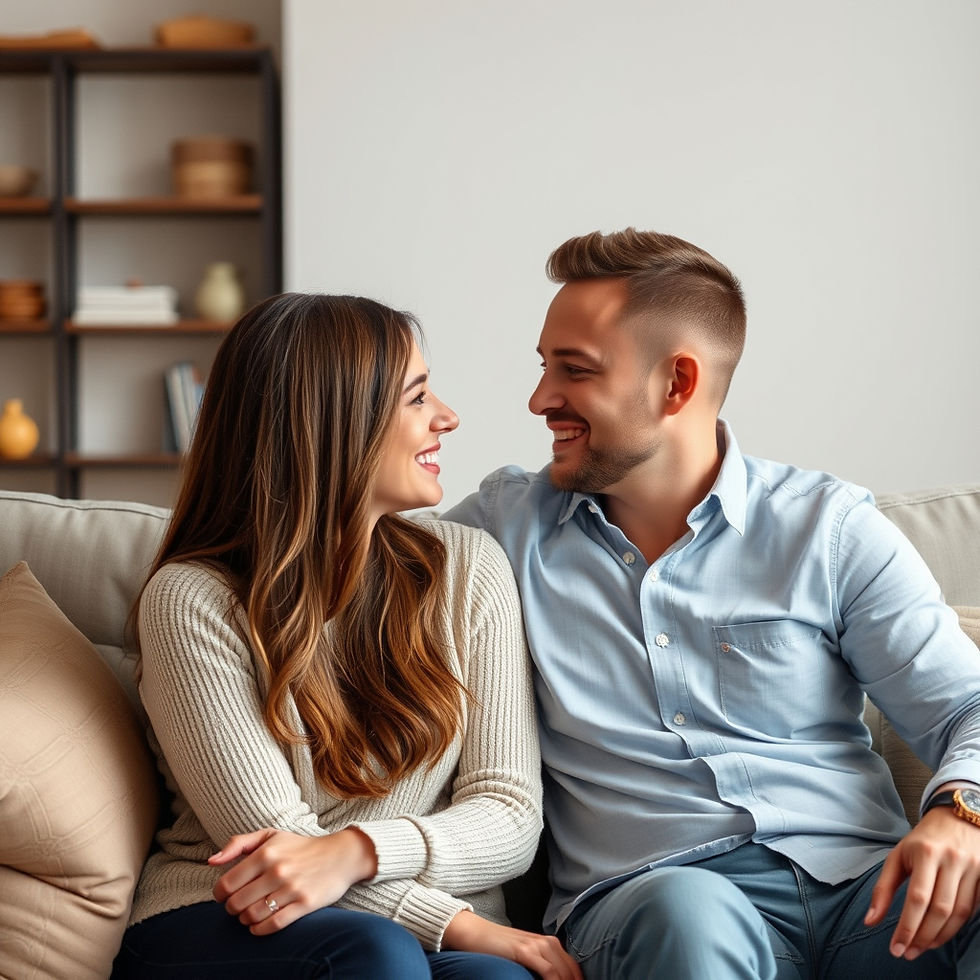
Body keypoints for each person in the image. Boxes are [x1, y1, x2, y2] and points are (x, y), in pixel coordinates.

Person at [442, 228, 980, 978]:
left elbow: (967, 707)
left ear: (678, 384)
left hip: (865, 895)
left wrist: (962, 816)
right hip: (656, 901)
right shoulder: (500, 530)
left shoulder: (826, 527)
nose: (540, 400)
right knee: (692, 914)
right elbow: (332, 566)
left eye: (575, 371)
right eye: (544, 368)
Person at [111, 292, 582, 980]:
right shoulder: (192, 601)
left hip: (428, 931)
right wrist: (456, 923)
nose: (447, 417)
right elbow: (275, 853)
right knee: (376, 955)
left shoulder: (469, 568)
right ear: (336, 424)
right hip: (225, 918)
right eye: (418, 398)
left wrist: (360, 851)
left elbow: (508, 812)